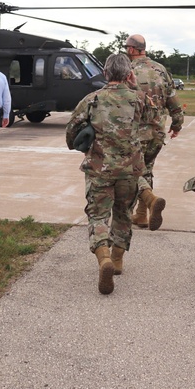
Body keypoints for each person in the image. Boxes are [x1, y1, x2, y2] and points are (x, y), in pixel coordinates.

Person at [65, 53, 146, 295]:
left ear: (106, 73)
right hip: (130, 170)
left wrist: (84, 142)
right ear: (129, 74)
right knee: (123, 213)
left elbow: (71, 132)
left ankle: (104, 259)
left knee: (98, 216)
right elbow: (148, 123)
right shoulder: (139, 99)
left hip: (100, 169)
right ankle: (118, 260)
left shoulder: (93, 99)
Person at [124, 34, 184, 230]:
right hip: (157, 132)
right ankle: (141, 215)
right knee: (146, 169)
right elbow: (173, 100)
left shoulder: (128, 70)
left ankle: (148, 202)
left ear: (132, 49)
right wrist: (176, 125)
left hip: (135, 132)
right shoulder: (161, 69)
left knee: (131, 171)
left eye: (126, 47)